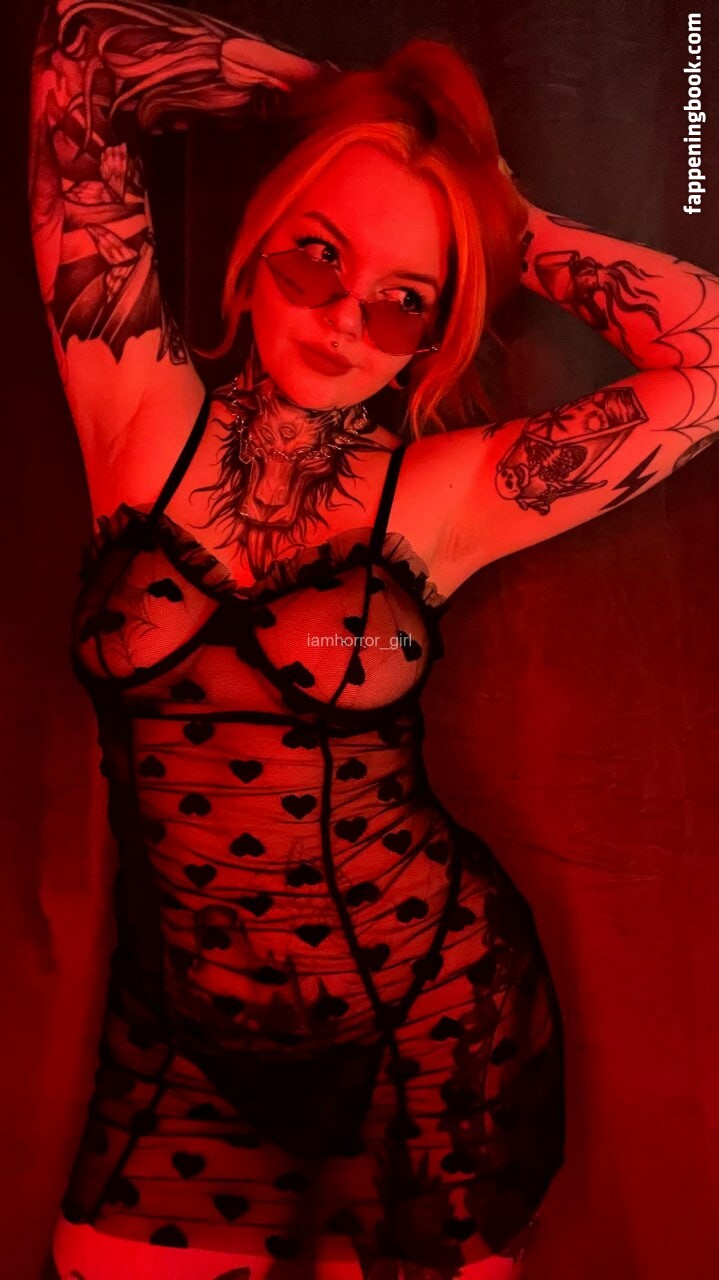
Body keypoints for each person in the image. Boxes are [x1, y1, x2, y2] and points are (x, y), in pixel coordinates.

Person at [28, 2, 717, 1279]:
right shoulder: (131, 411)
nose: (348, 321)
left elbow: (707, 355)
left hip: (425, 1013)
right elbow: (82, 53)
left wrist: (498, 209)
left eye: (406, 300)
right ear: (253, 246)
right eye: (317, 257)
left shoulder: (437, 496)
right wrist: (347, 106)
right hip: (178, 1036)